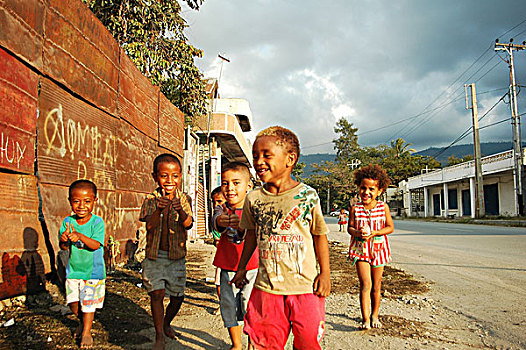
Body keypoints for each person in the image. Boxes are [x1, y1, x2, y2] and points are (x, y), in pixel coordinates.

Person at [231, 126, 331, 350]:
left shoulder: (307, 196)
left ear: (290, 159)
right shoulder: (253, 198)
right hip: (267, 289)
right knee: (265, 343)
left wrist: (325, 273)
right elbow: (251, 237)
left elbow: (319, 236)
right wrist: (241, 268)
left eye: (267, 155)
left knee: (307, 343)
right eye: (256, 156)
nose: (259, 161)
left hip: (305, 288)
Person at [139, 153, 193, 350]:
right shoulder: (151, 200)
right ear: (155, 177)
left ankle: (167, 322)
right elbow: (150, 226)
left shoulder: (184, 199)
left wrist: (180, 211)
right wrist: (158, 210)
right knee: (157, 294)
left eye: (175, 176)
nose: (170, 181)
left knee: (178, 296)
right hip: (155, 257)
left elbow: (188, 225)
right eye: (164, 176)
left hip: (177, 257)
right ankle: (159, 334)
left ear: (180, 177)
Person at [212, 162, 259, 350]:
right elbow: (216, 222)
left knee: (251, 307)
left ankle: (252, 344)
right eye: (225, 183)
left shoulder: (255, 208)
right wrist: (222, 222)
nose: (230, 188)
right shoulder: (221, 209)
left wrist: (244, 226)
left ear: (249, 186)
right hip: (227, 266)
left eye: (236, 182)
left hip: (252, 267)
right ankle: (237, 345)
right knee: (229, 306)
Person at [59, 179, 105, 349]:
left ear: (95, 201)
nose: (81, 206)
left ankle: (86, 331)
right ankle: (82, 322)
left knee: (88, 303)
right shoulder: (67, 222)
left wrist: (80, 236)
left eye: (87, 201)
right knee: (73, 303)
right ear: (70, 201)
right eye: (76, 201)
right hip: (74, 270)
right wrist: (64, 239)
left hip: (93, 272)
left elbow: (95, 245)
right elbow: (63, 247)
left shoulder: (97, 223)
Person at [347, 164, 394, 330]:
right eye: (363, 188)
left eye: (371, 189)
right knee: (365, 284)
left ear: (379, 191)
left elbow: (390, 227)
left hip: (379, 251)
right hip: (361, 251)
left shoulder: (383, 208)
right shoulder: (355, 208)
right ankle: (365, 318)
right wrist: (358, 233)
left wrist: (375, 233)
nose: (366, 192)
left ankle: (375, 314)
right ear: (359, 188)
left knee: (376, 285)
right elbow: (349, 228)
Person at [210, 186, 226, 315]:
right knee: (219, 281)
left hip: (238, 256)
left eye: (220, 201)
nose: (216, 205)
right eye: (214, 202)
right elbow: (216, 239)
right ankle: (222, 305)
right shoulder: (216, 218)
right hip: (222, 255)